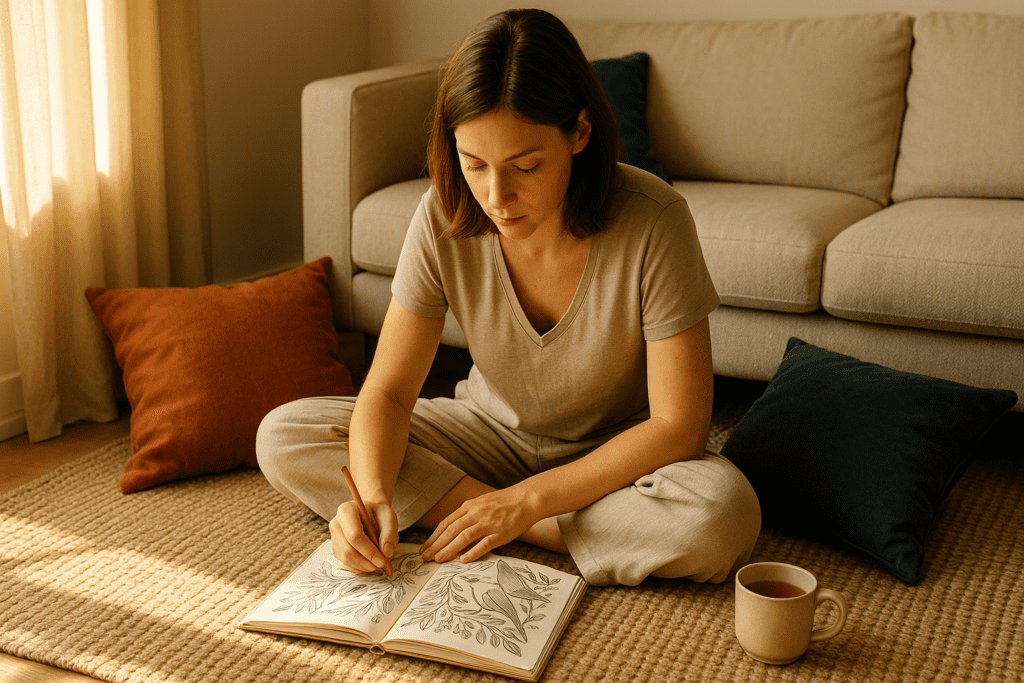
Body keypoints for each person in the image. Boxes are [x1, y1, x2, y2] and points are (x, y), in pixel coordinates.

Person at [256, 8, 760, 587]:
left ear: (580, 132)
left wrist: (524, 503)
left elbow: (679, 426)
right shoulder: (444, 212)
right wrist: (370, 500)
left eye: (526, 166)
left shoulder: (656, 219)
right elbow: (389, 391)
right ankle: (541, 526)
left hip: (613, 452)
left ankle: (493, 516)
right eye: (474, 164)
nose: (497, 196)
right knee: (285, 433)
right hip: (486, 432)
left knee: (720, 515)